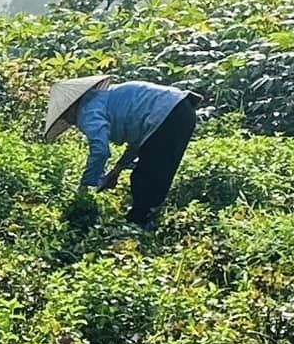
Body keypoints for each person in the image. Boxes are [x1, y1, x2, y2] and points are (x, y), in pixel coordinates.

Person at [44, 75, 201, 230]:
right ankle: (145, 219)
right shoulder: (106, 98)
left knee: (148, 175)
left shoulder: (87, 112)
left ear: (71, 108)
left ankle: (139, 223)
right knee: (160, 170)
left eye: (66, 116)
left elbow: (100, 151)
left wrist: (85, 185)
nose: (69, 121)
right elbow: (139, 141)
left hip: (169, 114)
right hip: (183, 110)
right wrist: (117, 169)